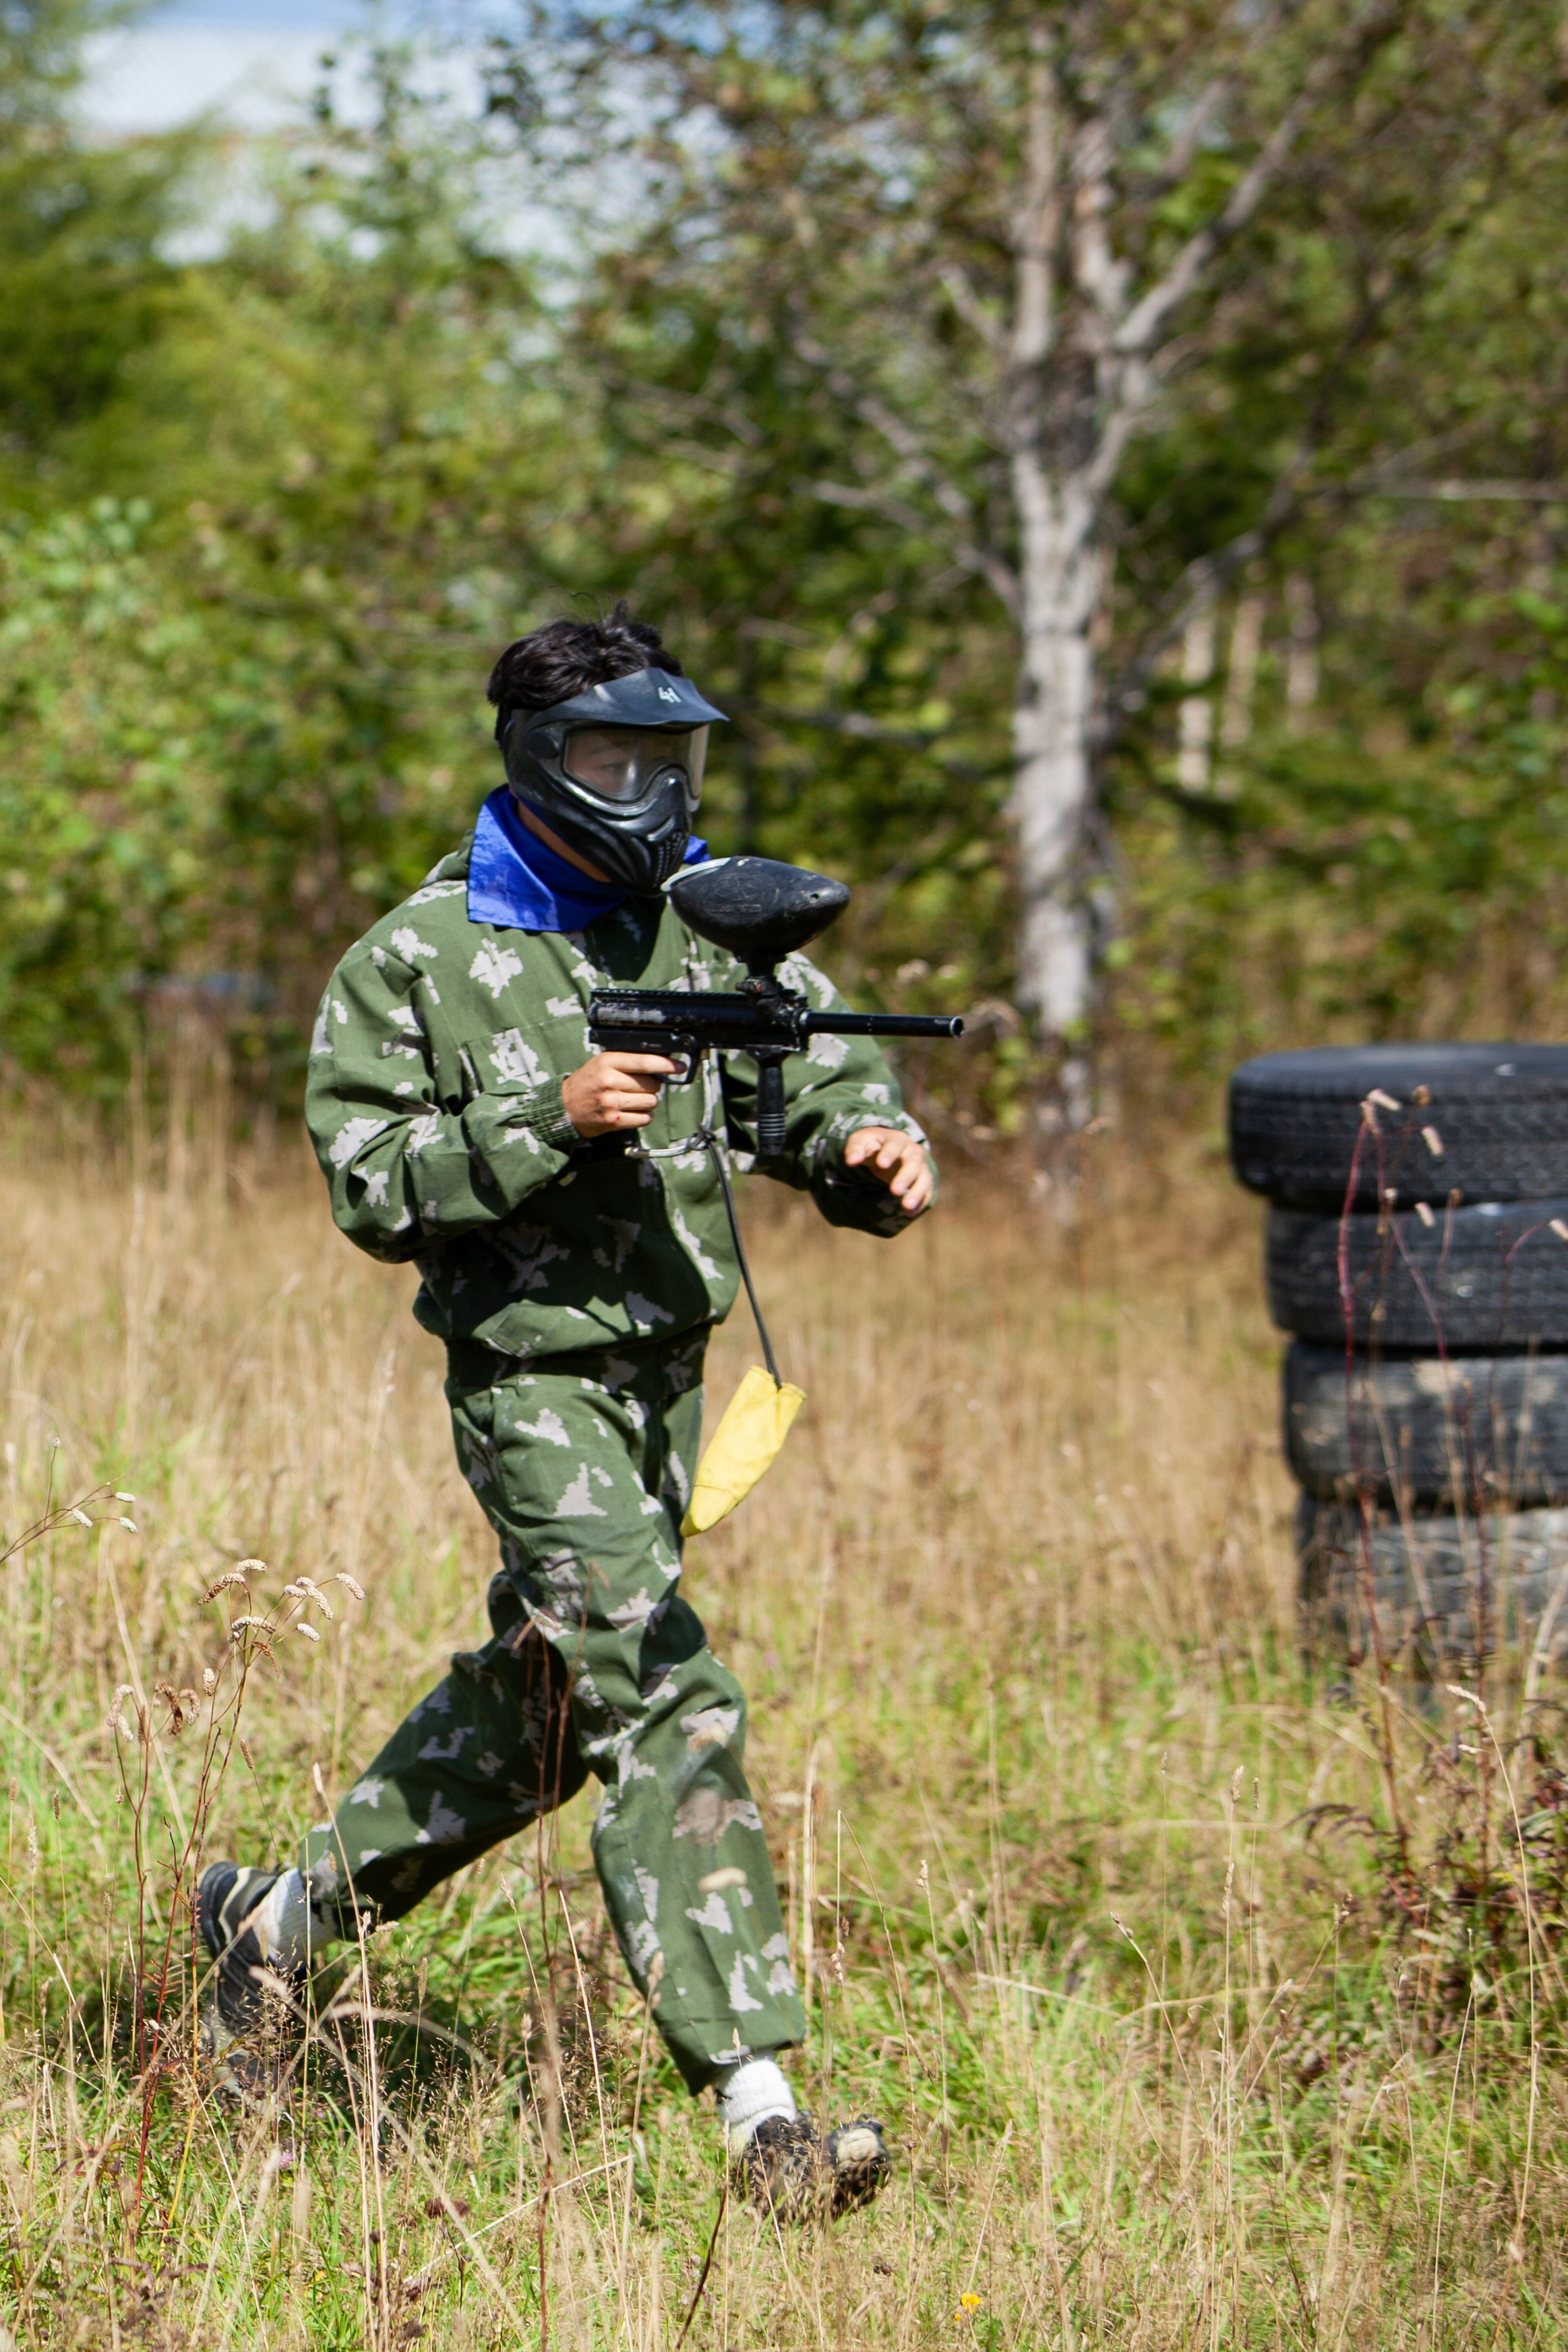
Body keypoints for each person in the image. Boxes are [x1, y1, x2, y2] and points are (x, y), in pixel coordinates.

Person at [195, 604, 936, 2219]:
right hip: (530, 1378)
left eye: (666, 754)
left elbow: (808, 1075)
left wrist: (870, 1153)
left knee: (548, 1708)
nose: (648, 785)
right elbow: (370, 1184)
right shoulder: (417, 954)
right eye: (613, 753)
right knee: (664, 1689)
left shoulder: (701, 918)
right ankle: (763, 2115)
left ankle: (280, 1919)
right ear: (538, 758)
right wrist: (549, 1115)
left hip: (672, 1375)